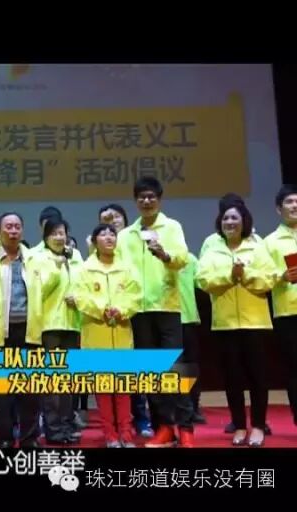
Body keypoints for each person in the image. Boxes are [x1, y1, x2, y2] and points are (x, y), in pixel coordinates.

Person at [116, 176, 194, 448]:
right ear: (135, 201)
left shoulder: (172, 227)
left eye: (151, 196)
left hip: (166, 306)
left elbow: (183, 258)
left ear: (159, 199)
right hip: (138, 310)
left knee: (174, 370)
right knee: (150, 373)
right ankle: (164, 427)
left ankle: (186, 428)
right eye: (142, 197)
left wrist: (164, 255)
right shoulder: (126, 235)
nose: (146, 201)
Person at [197, 201, 275, 447]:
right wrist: (230, 276)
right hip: (225, 324)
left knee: (258, 377)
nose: (229, 222)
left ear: (244, 222)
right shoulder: (212, 249)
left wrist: (245, 275)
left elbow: (269, 279)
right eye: (225, 219)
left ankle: (258, 426)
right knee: (232, 378)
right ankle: (239, 425)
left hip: (256, 323)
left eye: (234, 218)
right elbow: (203, 280)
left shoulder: (258, 247)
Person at [0, 212, 44, 448]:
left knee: (30, 390)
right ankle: (4, 438)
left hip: (29, 331)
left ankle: (29, 438)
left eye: (17, 226)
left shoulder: (34, 259)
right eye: (8, 227)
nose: (13, 231)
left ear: (22, 230)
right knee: (2, 391)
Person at [74, 223, 141, 447]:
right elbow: (80, 297)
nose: (109, 237)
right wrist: (102, 309)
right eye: (103, 234)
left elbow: (136, 296)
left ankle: (126, 434)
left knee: (123, 390)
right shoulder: (85, 269)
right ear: (95, 242)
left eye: (112, 234)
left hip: (121, 334)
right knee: (103, 391)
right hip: (96, 335)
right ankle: (110, 435)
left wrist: (122, 310)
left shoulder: (126, 267)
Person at [35, 217, 83, 444]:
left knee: (68, 381)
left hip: (72, 324)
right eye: (53, 233)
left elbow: (84, 282)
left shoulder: (75, 256)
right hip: (50, 326)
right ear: (45, 237)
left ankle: (66, 425)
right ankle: (53, 429)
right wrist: (57, 267)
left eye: (61, 233)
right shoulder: (38, 257)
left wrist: (79, 298)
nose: (58, 237)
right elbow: (39, 290)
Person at [264, 184, 297, 427]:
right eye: (289, 202)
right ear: (279, 209)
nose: (295, 206)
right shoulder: (270, 242)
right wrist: (281, 276)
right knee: (294, 369)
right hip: (287, 312)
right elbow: (262, 276)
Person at [179, 252, 205, 424]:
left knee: (191, 365)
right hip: (165, 319)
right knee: (173, 367)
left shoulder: (189, 259)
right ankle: (175, 409)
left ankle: (193, 407)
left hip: (189, 318)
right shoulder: (153, 259)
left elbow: (203, 282)